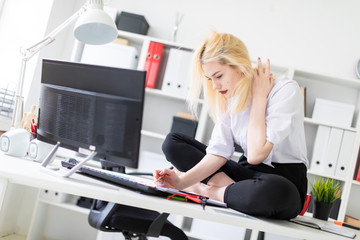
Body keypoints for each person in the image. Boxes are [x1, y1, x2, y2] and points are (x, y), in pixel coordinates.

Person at [153, 30, 308, 220]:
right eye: (210, 79)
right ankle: (231, 193)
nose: (215, 86)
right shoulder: (230, 97)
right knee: (172, 143)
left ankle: (207, 190)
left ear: (239, 65)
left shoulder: (285, 90)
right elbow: (218, 153)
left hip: (284, 182)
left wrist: (259, 97)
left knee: (276, 192)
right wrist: (181, 181)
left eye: (218, 76)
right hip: (245, 177)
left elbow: (256, 154)